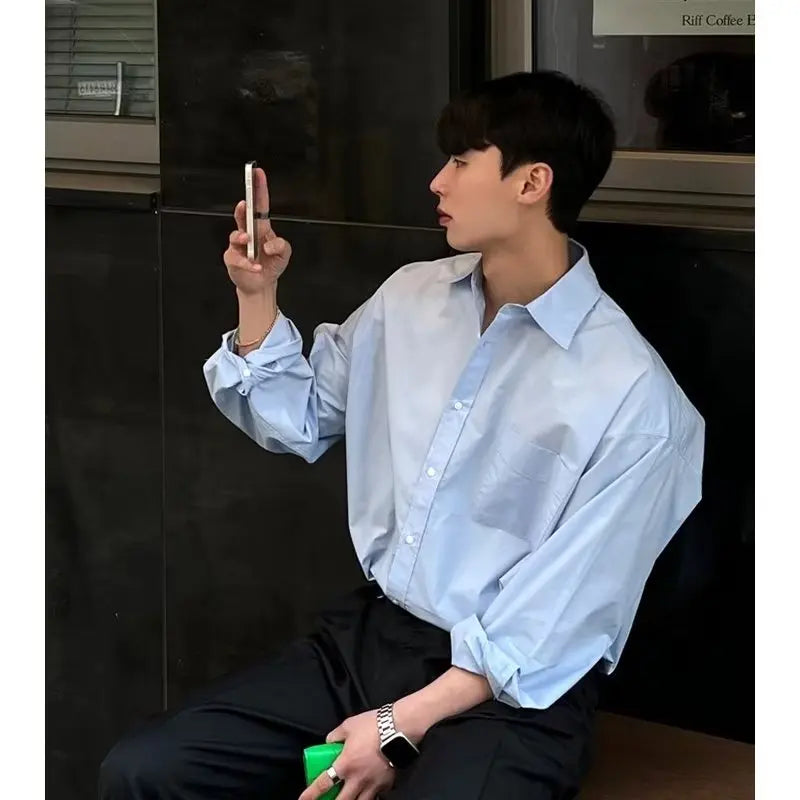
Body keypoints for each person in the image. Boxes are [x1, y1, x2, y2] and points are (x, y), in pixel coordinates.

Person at [99, 70, 704, 800]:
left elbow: (561, 614)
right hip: (369, 640)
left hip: (514, 690)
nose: (436, 182)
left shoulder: (635, 396)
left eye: (461, 161)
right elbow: (300, 419)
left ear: (531, 182)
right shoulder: (412, 297)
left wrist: (396, 726)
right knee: (146, 771)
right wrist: (257, 295)